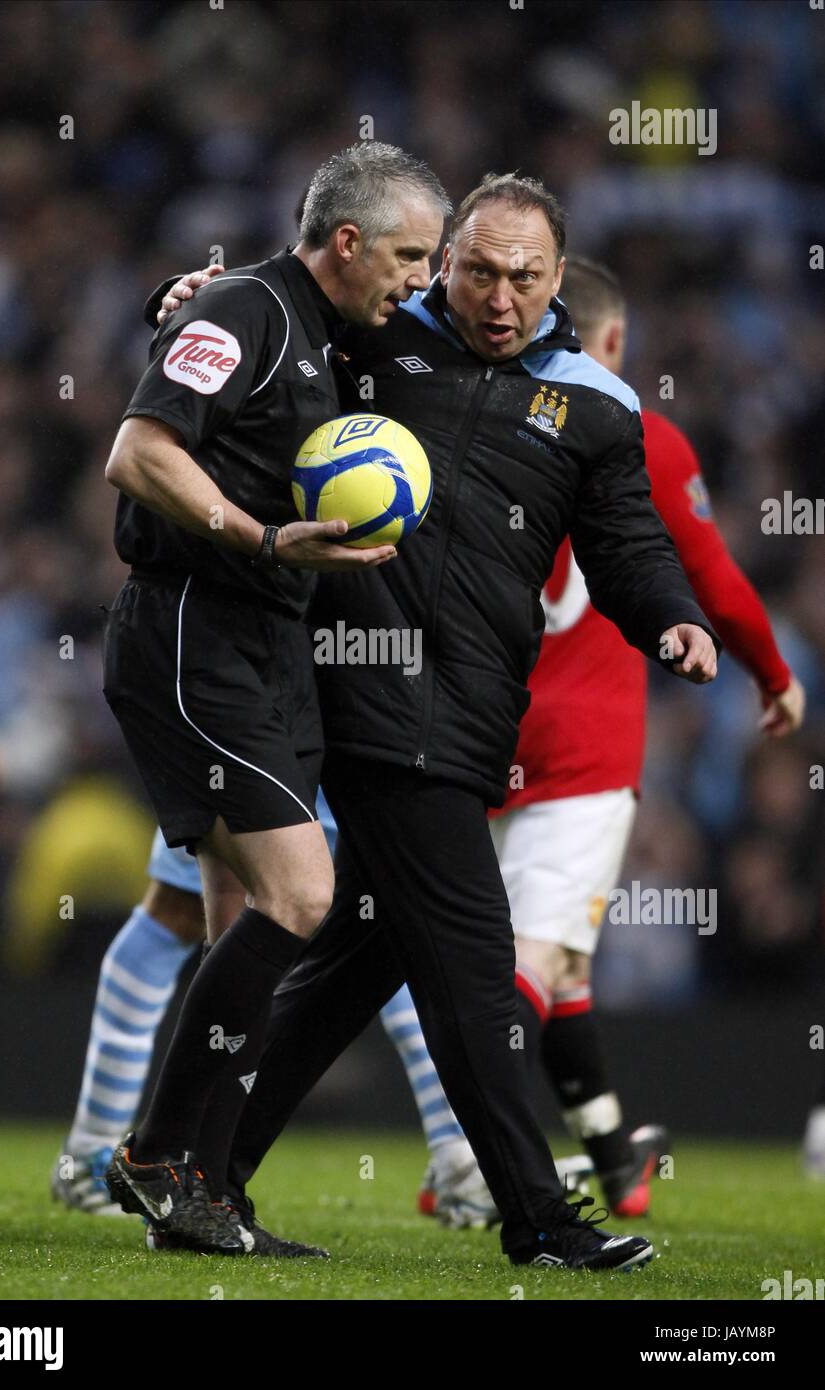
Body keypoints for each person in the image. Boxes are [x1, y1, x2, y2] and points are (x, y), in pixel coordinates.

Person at [132, 173, 718, 1271]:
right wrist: (178, 294)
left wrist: (672, 618)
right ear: (443, 262)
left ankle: (201, 1176)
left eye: (526, 278)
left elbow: (630, 546)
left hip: (475, 710)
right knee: (473, 957)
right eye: (479, 272)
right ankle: (536, 1214)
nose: (500, 298)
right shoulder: (374, 337)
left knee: (351, 962)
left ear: (557, 280)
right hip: (365, 696)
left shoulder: (593, 402)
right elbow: (270, 309)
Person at [384, 256, 805, 1225]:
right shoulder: (635, 430)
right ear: (609, 343)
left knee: (556, 962)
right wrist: (773, 677)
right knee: (531, 961)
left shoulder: (465, 411)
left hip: (472, 730)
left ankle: (614, 1160)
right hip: (583, 751)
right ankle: (471, 1157)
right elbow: (714, 579)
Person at [99, 142, 449, 1256]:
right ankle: (153, 1154)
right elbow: (138, 451)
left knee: (234, 921)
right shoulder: (251, 308)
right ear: (345, 241)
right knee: (304, 895)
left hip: (263, 641)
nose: (420, 279)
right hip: (196, 627)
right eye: (408, 255)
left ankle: (200, 1192)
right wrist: (258, 535)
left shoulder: (319, 325)